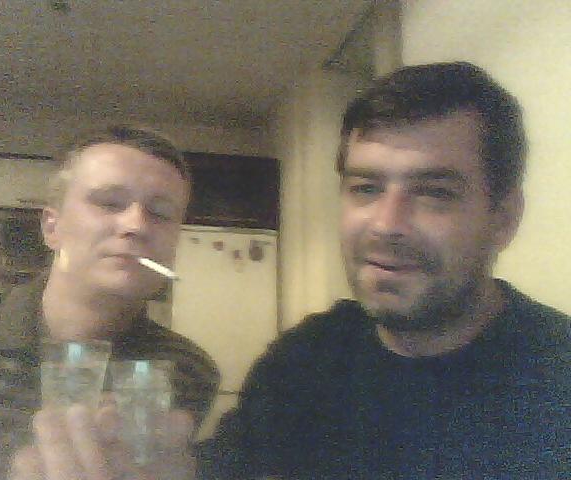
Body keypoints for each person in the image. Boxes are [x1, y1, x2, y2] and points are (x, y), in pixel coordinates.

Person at [196, 62, 570, 479]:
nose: (386, 225)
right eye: (366, 188)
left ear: (504, 218)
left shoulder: (558, 380)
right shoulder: (301, 362)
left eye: (435, 193)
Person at [0, 125, 220, 479]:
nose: (136, 225)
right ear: (52, 228)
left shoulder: (187, 369)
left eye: (160, 213)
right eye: (109, 203)